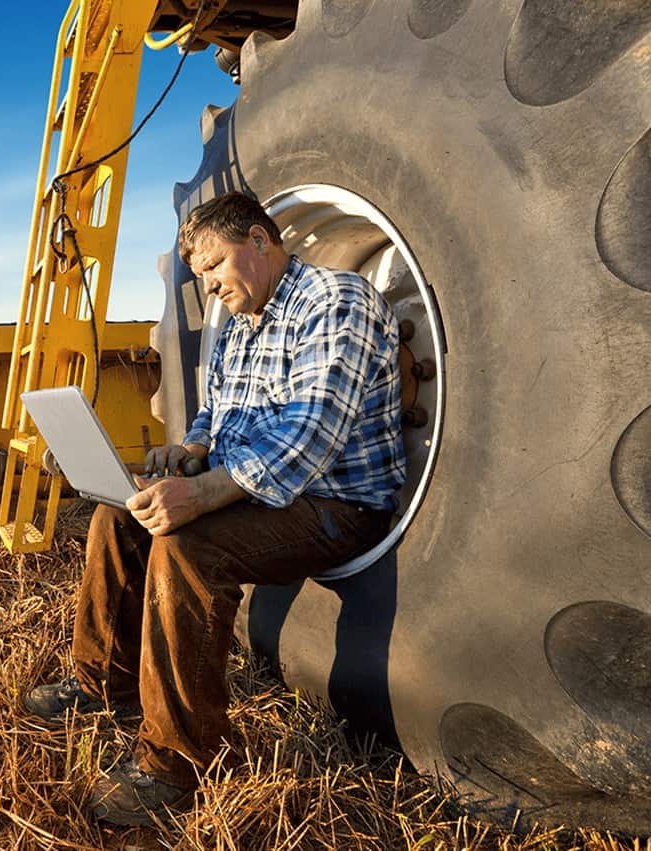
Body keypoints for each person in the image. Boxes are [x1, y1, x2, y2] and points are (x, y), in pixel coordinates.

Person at [23, 191, 407, 826]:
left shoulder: (336, 301)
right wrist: (192, 451)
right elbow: (218, 409)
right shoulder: (240, 323)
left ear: (259, 241)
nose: (206, 286)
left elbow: (310, 434)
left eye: (213, 265)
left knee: (186, 546)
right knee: (116, 520)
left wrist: (201, 495)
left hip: (334, 502)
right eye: (197, 274)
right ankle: (100, 687)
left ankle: (177, 761)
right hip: (258, 494)